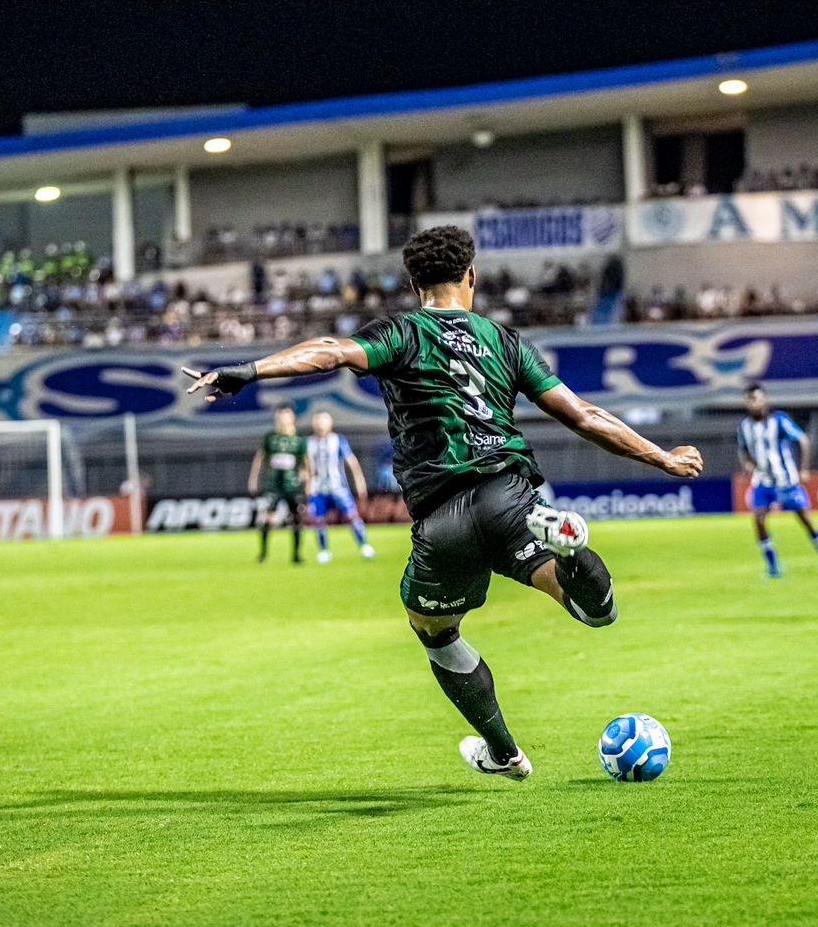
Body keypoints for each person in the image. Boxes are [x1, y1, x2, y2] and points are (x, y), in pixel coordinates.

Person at [183, 226, 701, 781]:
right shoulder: (506, 342)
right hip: (510, 497)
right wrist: (662, 459)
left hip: (442, 518)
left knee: (435, 632)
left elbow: (329, 353)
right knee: (595, 612)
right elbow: (584, 415)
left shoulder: (402, 333)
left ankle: (505, 753)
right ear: (471, 277)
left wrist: (250, 369)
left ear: (412, 283)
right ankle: (569, 552)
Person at [735, 385, 818, 578]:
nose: (755, 403)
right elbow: (743, 450)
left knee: (806, 520)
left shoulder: (779, 420)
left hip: (786, 481)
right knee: (759, 521)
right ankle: (773, 567)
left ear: (765, 400)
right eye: (750, 400)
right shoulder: (745, 426)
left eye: (758, 398)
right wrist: (748, 465)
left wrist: (803, 469)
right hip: (763, 481)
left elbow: (802, 439)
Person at [306, 411, 375, 563]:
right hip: (318, 489)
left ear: (330, 423)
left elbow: (352, 462)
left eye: (324, 420)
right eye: (318, 420)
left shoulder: (338, 440)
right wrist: (307, 487)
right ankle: (324, 551)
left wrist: (360, 483)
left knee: (351, 516)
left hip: (338, 487)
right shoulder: (309, 442)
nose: (320, 424)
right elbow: (307, 468)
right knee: (319, 520)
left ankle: (364, 546)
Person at [249, 405, 309, 564]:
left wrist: (308, 482)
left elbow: (306, 463)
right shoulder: (270, 438)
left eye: (285, 417)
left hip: (293, 485)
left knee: (297, 519)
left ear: (292, 418)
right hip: (274, 485)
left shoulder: (299, 440)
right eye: (280, 417)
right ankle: (263, 554)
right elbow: (260, 458)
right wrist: (253, 479)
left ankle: (296, 555)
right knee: (268, 519)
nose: (282, 420)